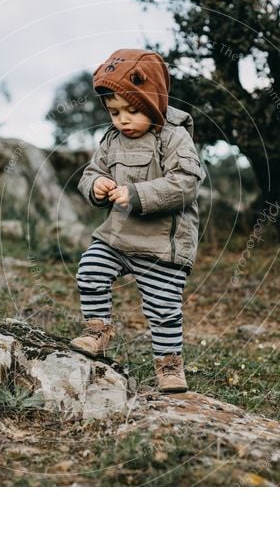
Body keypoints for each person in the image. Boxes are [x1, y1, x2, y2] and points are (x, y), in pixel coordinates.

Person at [70, 48, 206, 393]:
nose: (122, 119)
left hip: (161, 244)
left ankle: (170, 366)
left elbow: (187, 182)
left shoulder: (174, 137)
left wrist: (139, 194)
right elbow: (91, 173)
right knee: (90, 271)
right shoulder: (112, 140)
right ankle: (97, 332)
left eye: (132, 110)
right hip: (116, 237)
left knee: (163, 307)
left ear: (153, 101)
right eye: (114, 112)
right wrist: (96, 187)